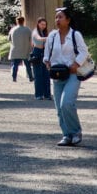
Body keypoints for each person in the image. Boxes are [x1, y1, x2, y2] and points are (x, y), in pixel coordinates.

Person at [43, 8, 89, 146]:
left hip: (73, 74)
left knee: (67, 103)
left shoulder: (75, 35)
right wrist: (47, 62)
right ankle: (66, 135)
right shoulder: (52, 36)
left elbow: (83, 51)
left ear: (68, 20)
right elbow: (47, 54)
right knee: (59, 107)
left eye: (60, 17)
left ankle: (76, 132)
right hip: (57, 74)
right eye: (56, 17)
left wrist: (76, 63)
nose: (57, 20)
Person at [30, 19, 52, 100]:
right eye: (42, 24)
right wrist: (50, 37)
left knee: (46, 74)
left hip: (44, 52)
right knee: (38, 75)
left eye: (45, 24)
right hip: (37, 53)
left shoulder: (45, 32)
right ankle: (38, 94)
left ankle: (47, 94)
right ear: (38, 24)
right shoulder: (35, 31)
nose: (43, 26)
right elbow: (38, 38)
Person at [8, 16, 33, 84]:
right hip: (25, 49)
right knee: (28, 65)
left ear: (17, 21)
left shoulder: (12, 30)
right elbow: (31, 39)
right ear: (23, 21)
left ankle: (14, 77)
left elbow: (9, 39)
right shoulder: (28, 29)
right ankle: (31, 77)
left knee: (15, 65)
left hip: (15, 50)